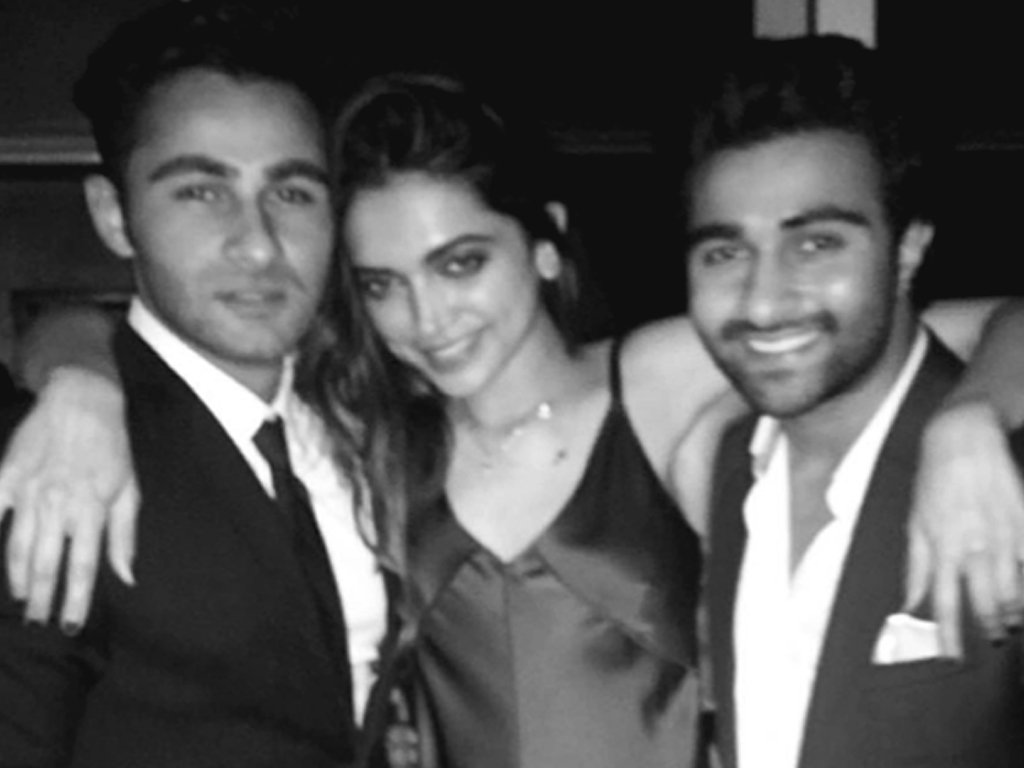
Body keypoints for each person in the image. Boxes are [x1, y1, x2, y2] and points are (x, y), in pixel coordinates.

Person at [4, 65, 1024, 768]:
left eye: (460, 263)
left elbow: (947, 325)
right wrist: (77, 372)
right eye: (383, 284)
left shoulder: (658, 380)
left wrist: (972, 418)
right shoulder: (371, 436)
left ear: (544, 244)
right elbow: (125, 343)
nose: (428, 319)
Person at [0, 2, 389, 766]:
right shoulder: (49, 463)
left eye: (292, 192)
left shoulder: (374, 420)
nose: (258, 245)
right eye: (201, 192)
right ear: (114, 216)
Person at [680, 36, 1024, 767]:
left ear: (908, 249)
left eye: (816, 245)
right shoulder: (726, 466)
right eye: (725, 253)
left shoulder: (1002, 473)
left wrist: (974, 417)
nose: (763, 302)